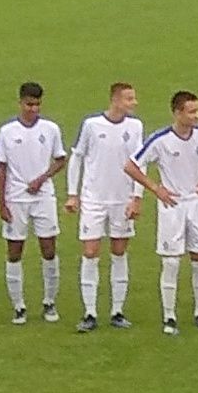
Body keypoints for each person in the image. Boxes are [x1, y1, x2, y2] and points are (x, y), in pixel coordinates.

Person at [125, 90, 198, 335]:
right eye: (191, 111)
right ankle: (169, 316)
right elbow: (131, 165)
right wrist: (156, 189)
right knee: (171, 261)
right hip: (172, 206)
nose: (197, 116)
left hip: (197, 204)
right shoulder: (161, 140)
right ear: (177, 113)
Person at [66, 82, 144, 333]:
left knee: (119, 251)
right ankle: (89, 312)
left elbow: (139, 162)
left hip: (122, 198)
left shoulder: (135, 126)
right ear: (116, 100)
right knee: (90, 251)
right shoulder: (92, 125)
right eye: (129, 99)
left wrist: (136, 196)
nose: (134, 103)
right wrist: (72, 194)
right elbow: (77, 157)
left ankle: (117, 311)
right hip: (94, 199)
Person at [0, 81, 68, 325]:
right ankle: (18, 306)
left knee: (49, 249)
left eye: (37, 104)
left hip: (43, 197)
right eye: (29, 104)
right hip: (16, 198)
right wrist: (2, 203)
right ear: (20, 102)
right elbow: (1, 167)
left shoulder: (50, 129)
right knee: (15, 252)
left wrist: (42, 178)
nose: (33, 109)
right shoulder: (7, 131)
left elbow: (60, 159)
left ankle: (49, 301)